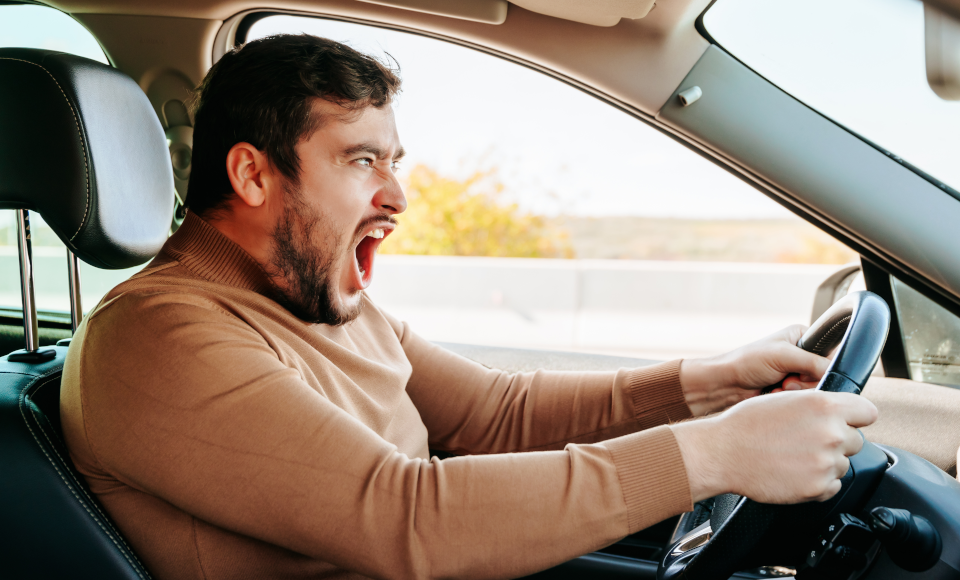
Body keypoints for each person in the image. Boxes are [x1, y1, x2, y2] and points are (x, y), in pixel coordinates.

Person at [60, 34, 878, 580]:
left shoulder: (311, 294)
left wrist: (707, 386)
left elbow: (493, 410)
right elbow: (403, 515)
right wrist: (712, 456)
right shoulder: (158, 335)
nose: (397, 194)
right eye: (362, 160)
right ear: (251, 176)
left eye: (395, 159)